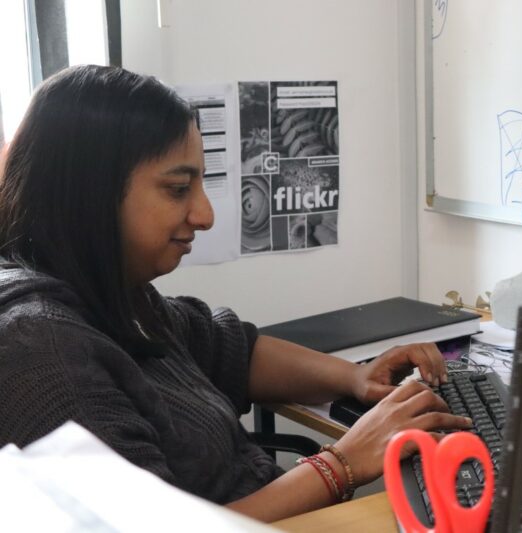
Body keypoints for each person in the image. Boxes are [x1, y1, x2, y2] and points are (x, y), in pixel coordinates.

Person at [0, 65, 471, 523]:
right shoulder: (45, 354)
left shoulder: (114, 293)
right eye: (178, 189)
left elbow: (233, 349)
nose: (204, 215)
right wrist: (342, 464)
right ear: (89, 194)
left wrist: (356, 378)